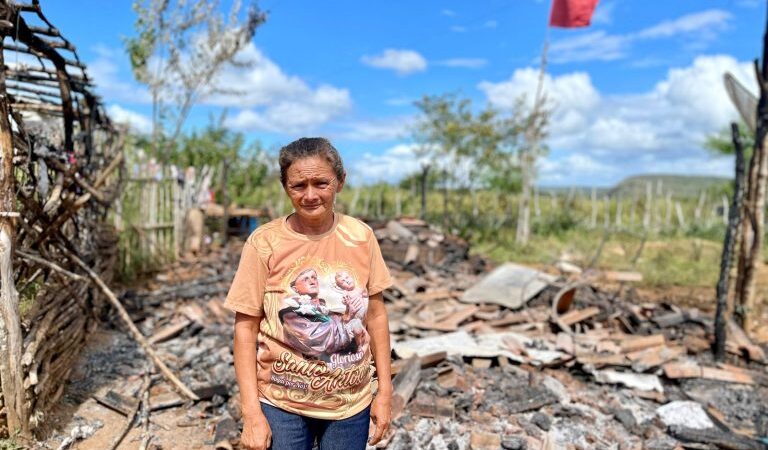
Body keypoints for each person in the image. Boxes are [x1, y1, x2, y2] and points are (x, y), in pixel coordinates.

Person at [225, 137, 393, 450]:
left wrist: (384, 393)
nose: (310, 195)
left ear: (340, 182)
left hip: (349, 404)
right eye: (299, 185)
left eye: (321, 183)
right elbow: (245, 328)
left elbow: (377, 316)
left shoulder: (360, 237)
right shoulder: (265, 243)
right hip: (282, 404)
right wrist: (251, 413)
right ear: (285, 186)